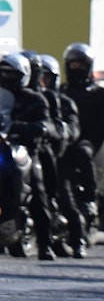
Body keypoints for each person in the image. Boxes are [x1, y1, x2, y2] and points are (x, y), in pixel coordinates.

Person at [0, 52, 61, 260]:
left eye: (11, 74)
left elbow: (44, 123)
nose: (6, 78)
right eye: (3, 73)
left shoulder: (34, 98)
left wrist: (25, 127)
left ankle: (45, 244)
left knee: (38, 196)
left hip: (26, 151)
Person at [34, 52, 88, 258]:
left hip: (60, 157)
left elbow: (71, 130)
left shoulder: (63, 102)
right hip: (34, 154)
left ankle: (78, 241)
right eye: (39, 77)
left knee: (64, 198)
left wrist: (57, 131)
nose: (42, 82)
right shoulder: (30, 98)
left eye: (45, 78)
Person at [62, 43, 101, 235]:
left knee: (83, 152)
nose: (76, 69)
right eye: (73, 65)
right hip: (65, 140)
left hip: (90, 140)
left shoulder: (97, 93)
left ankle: (90, 198)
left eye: (80, 65)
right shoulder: (62, 91)